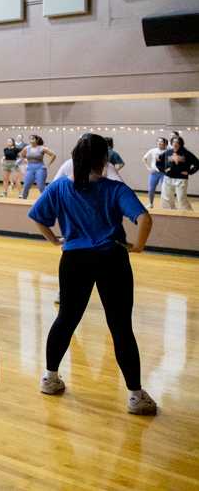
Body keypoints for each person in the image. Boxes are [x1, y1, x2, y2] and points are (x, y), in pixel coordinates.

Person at [28, 133, 157, 415]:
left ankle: (50, 378)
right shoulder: (114, 189)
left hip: (74, 259)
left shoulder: (60, 187)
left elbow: (37, 216)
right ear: (104, 160)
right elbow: (145, 219)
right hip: (112, 258)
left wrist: (54, 241)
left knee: (66, 319)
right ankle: (136, 395)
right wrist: (138, 247)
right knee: (120, 325)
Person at [157, 135, 198, 210]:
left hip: (181, 179)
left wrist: (189, 172)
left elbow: (197, 164)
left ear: (181, 144)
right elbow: (158, 161)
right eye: (173, 142)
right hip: (168, 178)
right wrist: (163, 170)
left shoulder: (187, 153)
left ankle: (189, 215)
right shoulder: (167, 152)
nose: (175, 144)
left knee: (181, 199)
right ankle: (170, 214)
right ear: (171, 143)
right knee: (166, 199)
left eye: (177, 142)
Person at [141, 137, 169, 207]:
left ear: (165, 143)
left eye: (161, 141)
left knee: (164, 190)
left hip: (164, 173)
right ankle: (151, 203)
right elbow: (144, 158)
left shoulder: (168, 151)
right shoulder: (153, 150)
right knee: (151, 189)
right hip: (154, 173)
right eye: (158, 141)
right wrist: (148, 168)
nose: (159, 143)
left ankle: (164, 205)